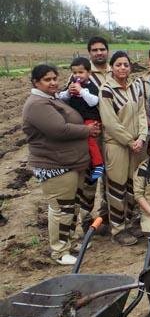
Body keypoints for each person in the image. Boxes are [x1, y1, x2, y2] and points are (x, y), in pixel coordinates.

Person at [23, 64, 101, 265]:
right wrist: (87, 131)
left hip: (69, 163)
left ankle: (70, 241)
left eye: (55, 78)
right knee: (61, 208)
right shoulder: (37, 104)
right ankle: (59, 250)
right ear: (36, 82)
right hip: (55, 165)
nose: (53, 83)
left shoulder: (52, 99)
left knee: (71, 206)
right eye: (47, 80)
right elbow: (59, 130)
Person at [99, 51, 149, 246]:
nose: (122, 68)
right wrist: (130, 141)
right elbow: (110, 122)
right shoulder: (106, 90)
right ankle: (118, 229)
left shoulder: (135, 86)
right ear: (112, 67)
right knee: (117, 187)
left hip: (137, 144)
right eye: (118, 65)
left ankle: (130, 222)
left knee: (132, 185)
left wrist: (142, 137)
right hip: (117, 145)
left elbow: (142, 113)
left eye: (125, 65)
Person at [58, 57, 103, 182]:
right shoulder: (71, 85)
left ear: (89, 73)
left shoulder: (90, 86)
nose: (77, 75)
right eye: (74, 72)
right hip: (76, 120)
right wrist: (68, 92)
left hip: (90, 118)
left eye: (81, 72)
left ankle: (98, 165)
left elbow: (94, 101)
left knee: (90, 140)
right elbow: (60, 98)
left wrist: (81, 91)